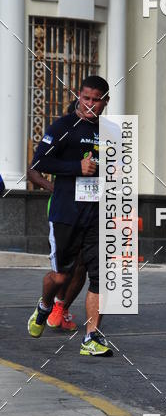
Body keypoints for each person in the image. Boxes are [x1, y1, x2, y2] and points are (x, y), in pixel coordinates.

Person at [27, 75, 113, 356]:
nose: (90, 105)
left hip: (97, 214)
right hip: (66, 213)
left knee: (100, 277)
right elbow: (37, 166)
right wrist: (75, 168)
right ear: (79, 96)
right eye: (85, 98)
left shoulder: (111, 132)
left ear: (105, 102)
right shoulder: (63, 127)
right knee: (61, 277)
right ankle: (44, 306)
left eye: (96, 100)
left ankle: (91, 338)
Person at [27, 100, 86, 331]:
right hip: (63, 208)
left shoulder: (99, 138)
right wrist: (55, 188)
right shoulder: (62, 133)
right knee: (64, 269)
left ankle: (61, 308)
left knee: (83, 266)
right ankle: (46, 305)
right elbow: (33, 170)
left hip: (91, 209)